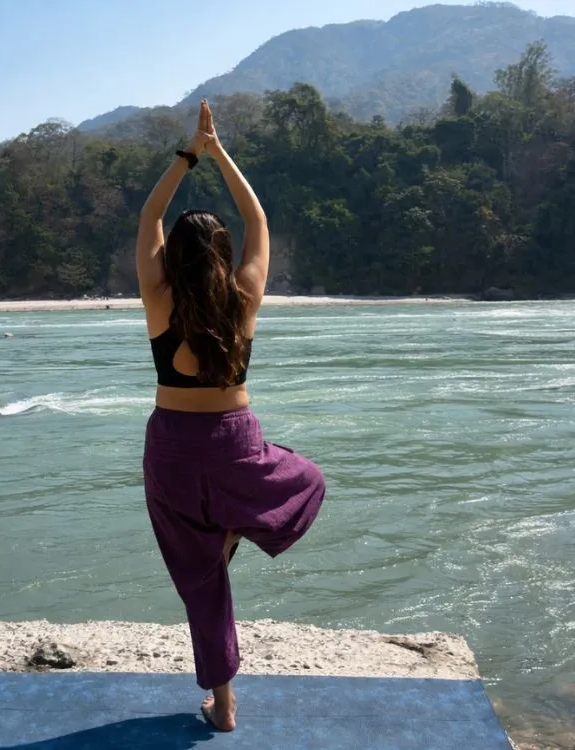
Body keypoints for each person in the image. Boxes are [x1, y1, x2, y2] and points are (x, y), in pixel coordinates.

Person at [136, 99, 327, 732]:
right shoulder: (243, 298)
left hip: (172, 446)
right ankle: (234, 531)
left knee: (202, 586)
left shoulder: (158, 298)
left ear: (174, 256)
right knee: (308, 479)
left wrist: (188, 156)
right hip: (234, 442)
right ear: (222, 254)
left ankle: (224, 705)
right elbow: (257, 219)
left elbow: (150, 215)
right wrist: (220, 155)